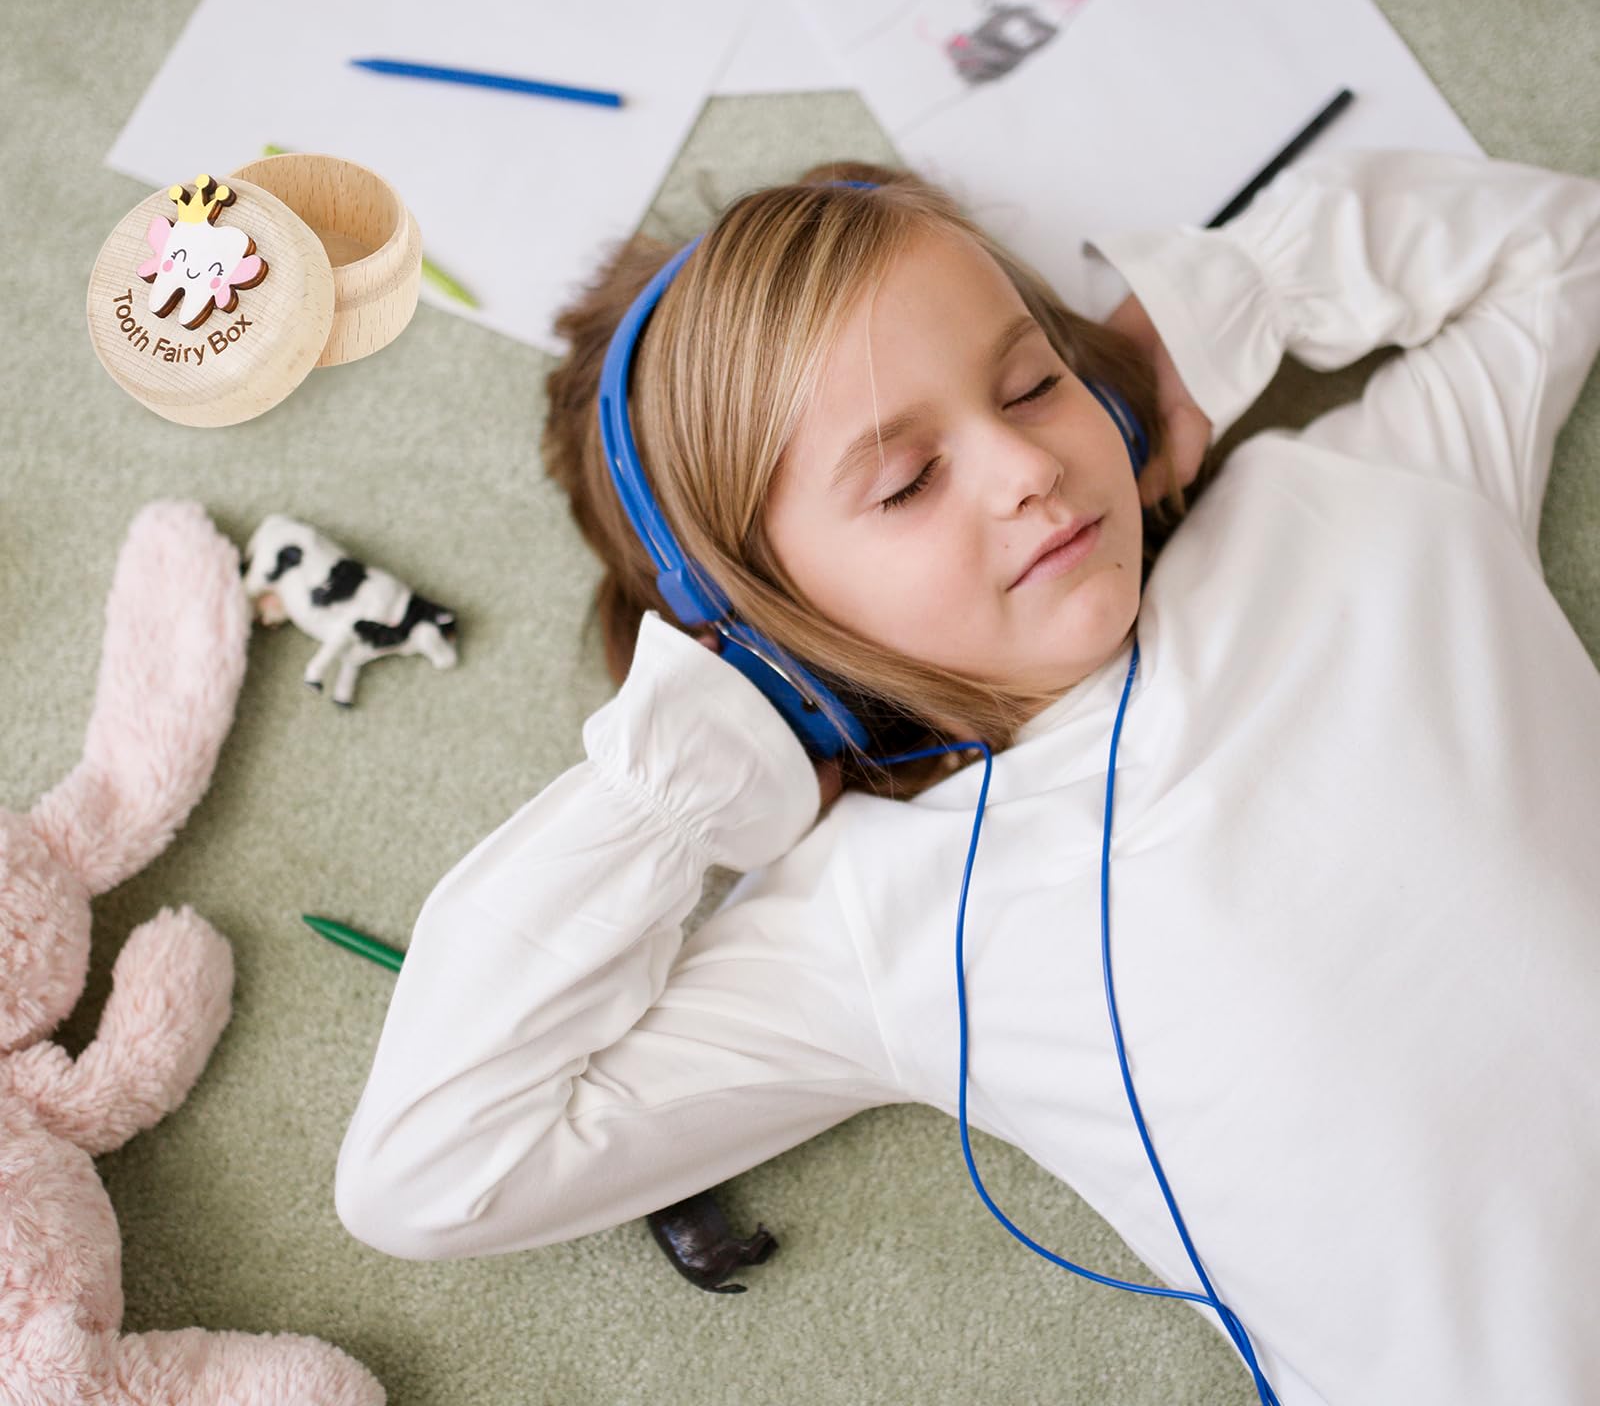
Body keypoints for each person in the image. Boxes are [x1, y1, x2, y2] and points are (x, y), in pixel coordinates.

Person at [335, 147, 1600, 1405]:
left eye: (1033, 383)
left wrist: (1223, 307)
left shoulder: (1355, 495)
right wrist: (668, 783)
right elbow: (431, 1172)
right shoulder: (868, 922)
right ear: (776, 636)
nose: (1025, 468)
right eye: (906, 481)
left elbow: (1563, 243)